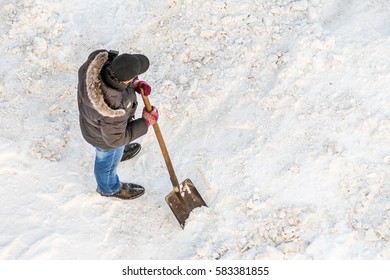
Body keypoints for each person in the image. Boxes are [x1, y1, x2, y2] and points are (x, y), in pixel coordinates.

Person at [77, 49, 159, 200]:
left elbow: (116, 80)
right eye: (133, 77)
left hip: (98, 127)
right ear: (124, 81)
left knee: (116, 147)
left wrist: (135, 83)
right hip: (105, 139)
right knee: (107, 161)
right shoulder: (113, 108)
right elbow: (115, 139)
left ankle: (118, 153)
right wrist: (146, 122)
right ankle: (108, 188)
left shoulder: (97, 66)